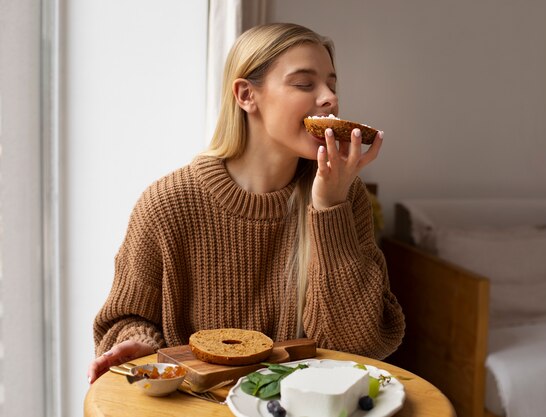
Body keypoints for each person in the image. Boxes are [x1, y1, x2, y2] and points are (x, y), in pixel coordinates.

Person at [87, 22, 405, 384]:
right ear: (246, 95)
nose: (329, 98)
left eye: (332, 84)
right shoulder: (167, 204)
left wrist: (329, 208)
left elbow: (358, 348)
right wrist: (140, 344)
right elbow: (123, 319)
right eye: (304, 83)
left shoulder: (345, 197)